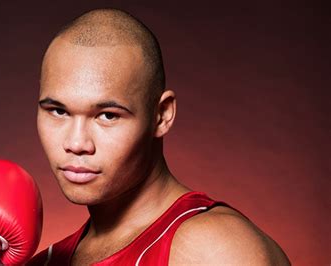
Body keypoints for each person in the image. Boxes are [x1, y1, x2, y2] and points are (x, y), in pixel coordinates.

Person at [29, 8, 290, 265]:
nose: (76, 144)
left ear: (162, 115)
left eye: (108, 115)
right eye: (58, 111)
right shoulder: (46, 262)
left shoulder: (215, 250)